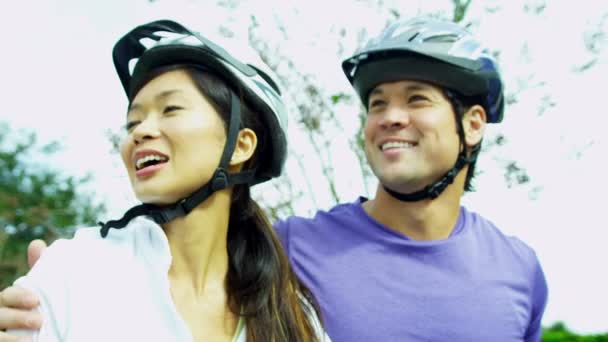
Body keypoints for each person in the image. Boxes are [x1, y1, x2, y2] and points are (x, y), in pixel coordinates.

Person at [0, 17, 548, 342]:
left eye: (417, 100)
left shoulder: (519, 269)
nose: (390, 117)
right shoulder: (292, 252)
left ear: (473, 125)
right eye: (377, 102)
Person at [0, 19, 329, 342]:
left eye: (170, 109)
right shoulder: (73, 271)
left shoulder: (292, 315)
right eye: (133, 122)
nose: (140, 132)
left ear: (241, 146)